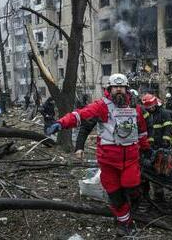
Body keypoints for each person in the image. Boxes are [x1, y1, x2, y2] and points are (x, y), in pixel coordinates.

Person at [46, 74, 151, 236]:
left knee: (132, 188)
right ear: (109, 89)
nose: (118, 90)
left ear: (126, 89)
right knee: (115, 195)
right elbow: (80, 115)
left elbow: (142, 131)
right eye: (115, 87)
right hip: (109, 161)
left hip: (130, 159)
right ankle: (125, 223)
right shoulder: (102, 106)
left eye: (121, 87)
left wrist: (146, 149)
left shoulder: (135, 108)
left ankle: (131, 206)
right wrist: (61, 123)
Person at [141, 93, 172, 202]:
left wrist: (165, 140)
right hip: (147, 147)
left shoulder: (164, 113)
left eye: (152, 105)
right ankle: (145, 196)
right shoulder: (144, 114)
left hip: (160, 147)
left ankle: (159, 195)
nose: (151, 108)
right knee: (144, 172)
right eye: (148, 106)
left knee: (158, 172)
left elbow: (168, 128)